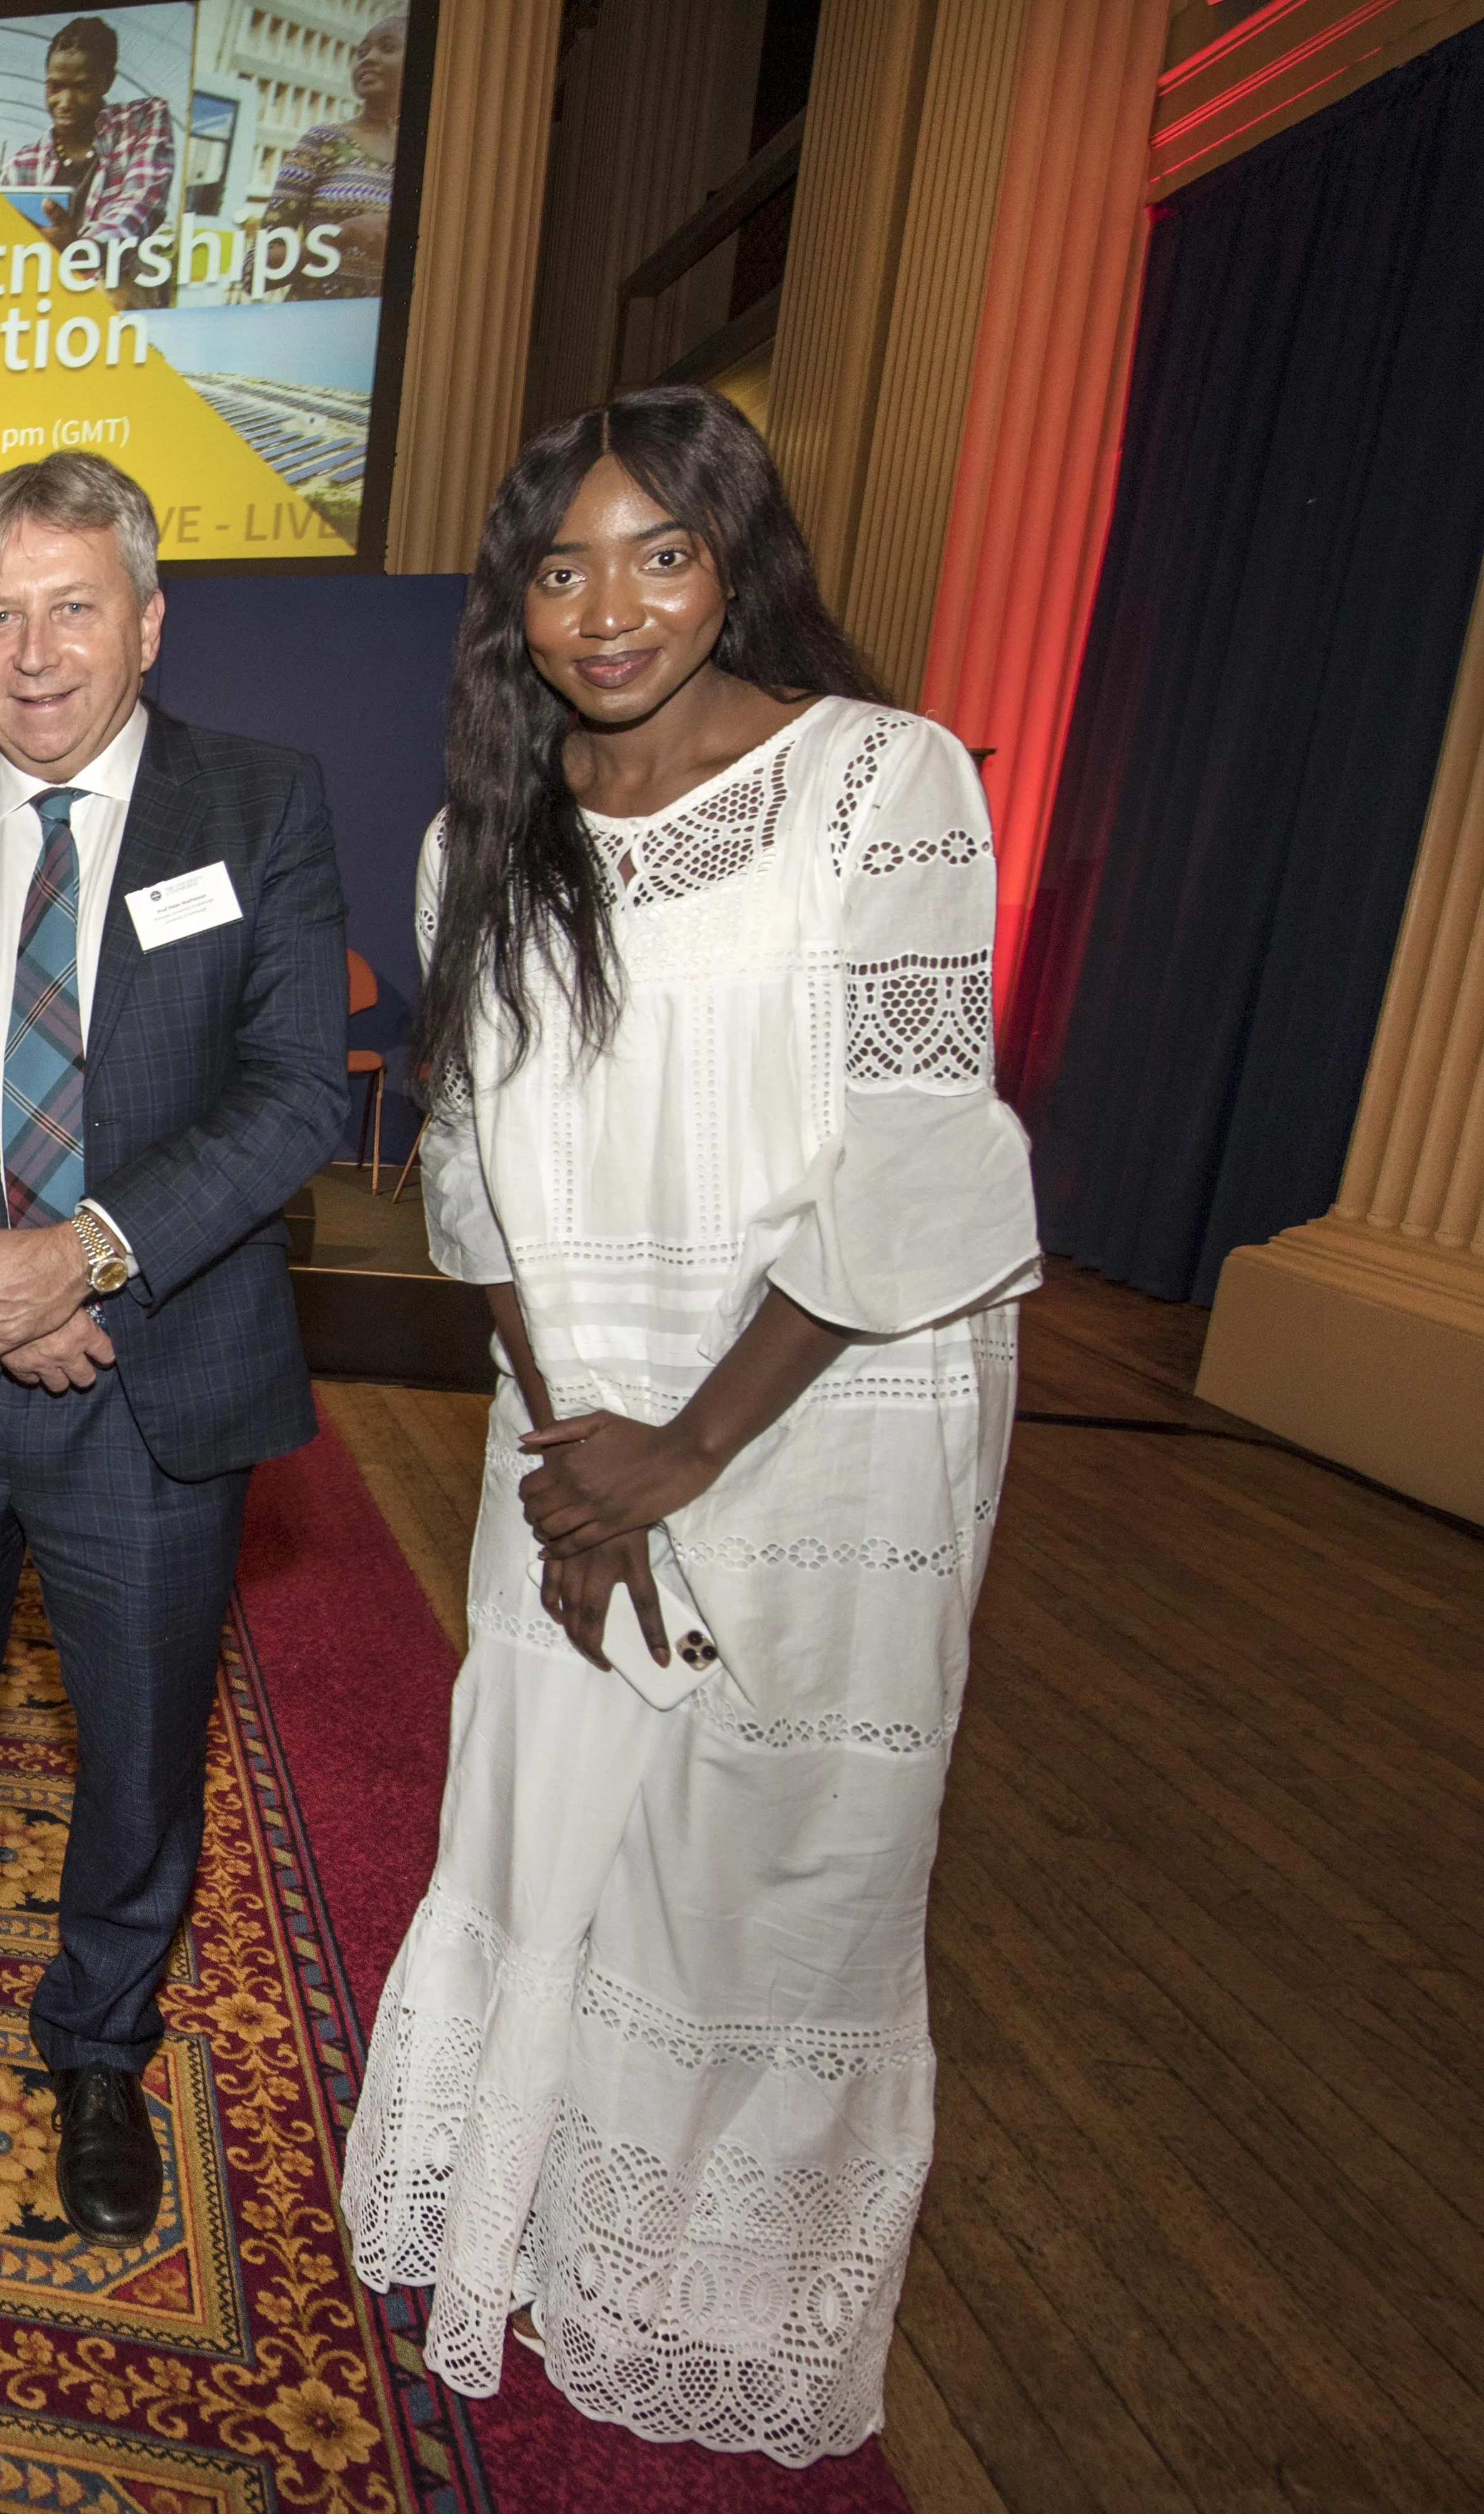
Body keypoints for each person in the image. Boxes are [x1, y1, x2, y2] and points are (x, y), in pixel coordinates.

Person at [337, 388, 1036, 2462]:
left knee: (759, 1858)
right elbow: (477, 1174)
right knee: (546, 1814)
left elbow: (914, 1160)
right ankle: (528, 2214)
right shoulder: (480, 836)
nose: (609, 608)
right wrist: (579, 1461)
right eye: (561, 569)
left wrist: (688, 1451)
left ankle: (700, 2280)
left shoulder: (882, 782)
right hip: (575, 1422)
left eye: (659, 553)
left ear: (738, 559)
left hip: (822, 1406)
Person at [0, 451, 348, 2242]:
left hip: (154, 1386)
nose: (33, 654)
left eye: (71, 608)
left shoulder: (258, 805)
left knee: (140, 1757)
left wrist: (85, 1258)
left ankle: (100, 2047)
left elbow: (294, 1096)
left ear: (149, 622)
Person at [2, 17, 173, 260]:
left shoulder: (142, 120)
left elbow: (141, 204)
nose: (65, 103)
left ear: (107, 81)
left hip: (113, 280)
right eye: (55, 87)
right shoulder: (22, 163)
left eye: (82, 88)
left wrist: (79, 250)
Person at [262, 18, 404, 300]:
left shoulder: (439, 155)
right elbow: (256, 267)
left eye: (388, 48)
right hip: (312, 321)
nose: (368, 59)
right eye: (362, 52)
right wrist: (343, 235)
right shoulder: (322, 142)